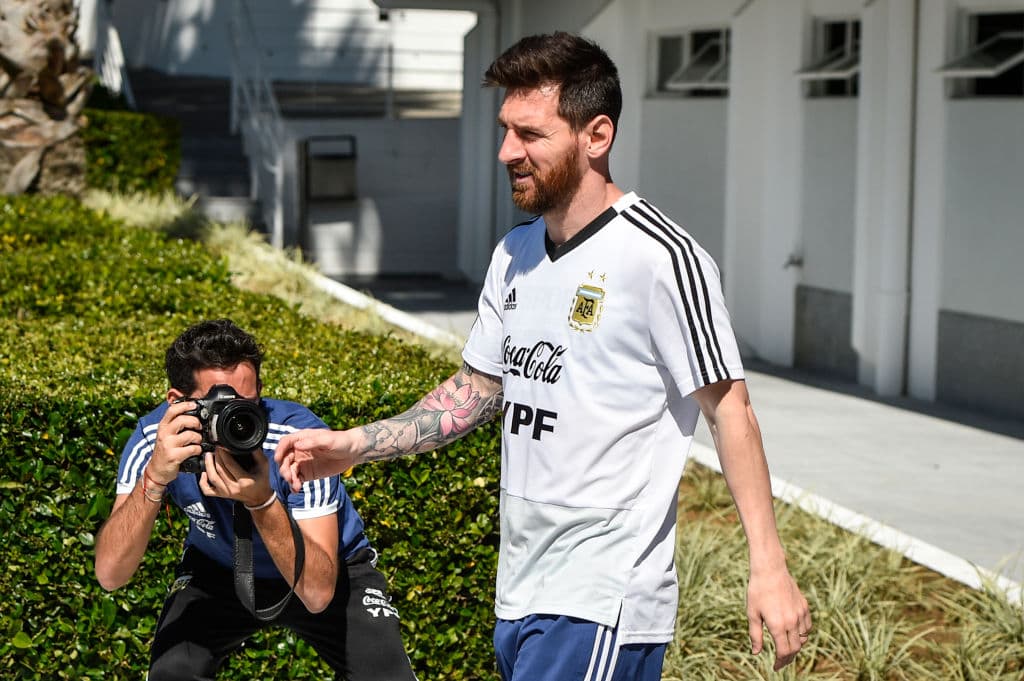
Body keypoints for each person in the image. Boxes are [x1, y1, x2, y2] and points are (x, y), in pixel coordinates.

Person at [274, 32, 811, 681]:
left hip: (602, 599)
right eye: (506, 130)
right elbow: (474, 393)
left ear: (596, 135)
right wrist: (353, 446)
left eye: (530, 134)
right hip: (520, 592)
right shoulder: (514, 253)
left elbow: (731, 411)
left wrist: (768, 566)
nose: (507, 151)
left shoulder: (661, 258)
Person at [94, 318, 417, 681]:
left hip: (325, 567)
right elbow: (110, 575)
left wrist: (261, 501)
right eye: (217, 407)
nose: (235, 421)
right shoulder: (158, 439)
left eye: (247, 405)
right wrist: (154, 479)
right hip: (219, 567)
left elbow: (317, 593)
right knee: (172, 673)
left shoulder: (298, 438)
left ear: (261, 391)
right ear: (177, 403)